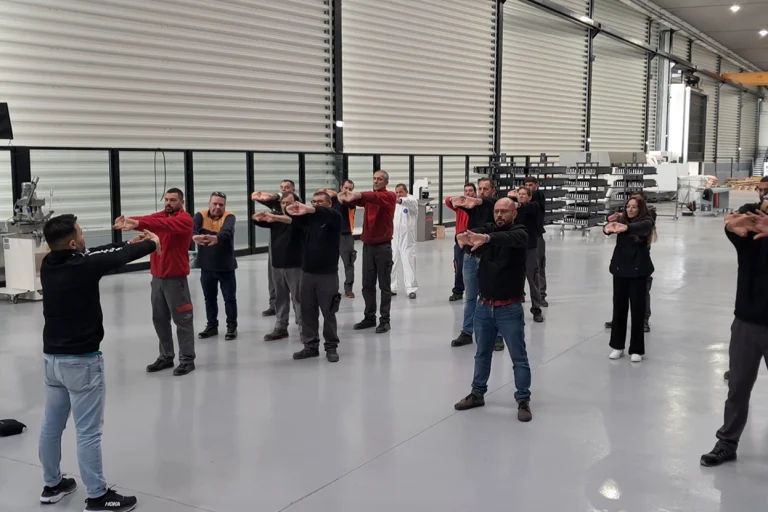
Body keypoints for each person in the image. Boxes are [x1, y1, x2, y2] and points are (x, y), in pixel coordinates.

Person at [39, 214, 159, 511]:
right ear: (71, 244)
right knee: (88, 432)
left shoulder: (49, 262)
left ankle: (52, 484)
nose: (84, 237)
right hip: (81, 363)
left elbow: (96, 253)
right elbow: (116, 258)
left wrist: (128, 242)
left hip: (52, 360)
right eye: (80, 233)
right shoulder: (82, 267)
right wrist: (151, 244)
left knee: (51, 427)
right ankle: (97, 496)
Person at [452, 198, 533, 422]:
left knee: (518, 356)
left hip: (509, 308)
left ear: (514, 213)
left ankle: (523, 399)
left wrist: (486, 238)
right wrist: (463, 235)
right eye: (497, 211)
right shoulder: (489, 228)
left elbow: (510, 238)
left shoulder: (519, 232)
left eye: (504, 212)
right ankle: (477, 393)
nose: (499, 215)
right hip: (484, 306)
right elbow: (477, 231)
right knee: (482, 354)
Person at [700, 203, 768, 467]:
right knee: (737, 387)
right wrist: (730, 225)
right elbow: (734, 227)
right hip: (746, 325)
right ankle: (727, 443)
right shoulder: (748, 239)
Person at [114, 188, 196, 376]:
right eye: (166, 199)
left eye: (173, 200)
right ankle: (166, 356)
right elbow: (151, 219)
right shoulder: (162, 216)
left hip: (176, 280)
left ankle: (187, 359)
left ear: (182, 202)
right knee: (159, 319)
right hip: (157, 279)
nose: (168, 203)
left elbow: (162, 224)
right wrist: (130, 221)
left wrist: (138, 223)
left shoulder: (184, 220)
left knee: (182, 320)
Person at [285, 191, 343, 362]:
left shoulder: (334, 217)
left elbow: (326, 213)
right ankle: (310, 346)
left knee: (329, 312)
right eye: (314, 202)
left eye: (320, 202)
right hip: (307, 273)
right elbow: (294, 220)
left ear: (329, 203)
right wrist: (290, 210)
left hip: (327, 275)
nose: (316, 204)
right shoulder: (308, 220)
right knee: (307, 311)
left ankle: (331, 346)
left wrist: (311, 209)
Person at [338, 170, 397, 334]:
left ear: (386, 182)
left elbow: (373, 197)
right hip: (368, 247)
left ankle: (385, 320)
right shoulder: (370, 198)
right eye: (374, 179)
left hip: (383, 247)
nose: (376, 181)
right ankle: (369, 317)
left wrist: (357, 194)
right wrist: (343, 195)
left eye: (379, 179)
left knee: (384, 285)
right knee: (367, 284)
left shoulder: (389, 196)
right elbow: (359, 200)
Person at [603, 197, 656, 363]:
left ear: (641, 209)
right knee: (619, 309)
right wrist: (608, 226)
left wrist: (625, 227)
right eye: (628, 206)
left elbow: (641, 227)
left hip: (638, 271)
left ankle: (637, 349)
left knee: (637, 311)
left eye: (634, 207)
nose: (630, 209)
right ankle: (617, 346)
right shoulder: (621, 219)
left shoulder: (647, 221)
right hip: (620, 270)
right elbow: (608, 228)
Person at [450, 178, 498, 348]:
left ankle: (496, 334)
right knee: (470, 296)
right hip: (470, 256)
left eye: (486, 189)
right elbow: (453, 203)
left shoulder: (496, 206)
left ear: (493, 190)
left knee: (492, 296)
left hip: (488, 257)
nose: (482, 192)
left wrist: (477, 201)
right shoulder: (474, 207)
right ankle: (467, 331)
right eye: (480, 189)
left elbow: (490, 219)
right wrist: (455, 200)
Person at [252, 191, 303, 341]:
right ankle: (281, 327)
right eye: (283, 203)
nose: (285, 206)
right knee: (280, 298)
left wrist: (273, 217)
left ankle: (304, 328)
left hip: (295, 265)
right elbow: (260, 221)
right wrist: (256, 217)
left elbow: (290, 220)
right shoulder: (276, 218)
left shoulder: (300, 217)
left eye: (289, 203)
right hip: (278, 265)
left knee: (298, 298)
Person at [193, 192, 238, 341]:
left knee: (229, 299)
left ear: (225, 206)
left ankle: (232, 326)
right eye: (215, 204)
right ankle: (212, 325)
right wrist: (194, 236)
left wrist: (216, 238)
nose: (218, 207)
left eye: (221, 204)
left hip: (226, 267)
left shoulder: (229, 216)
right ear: (209, 203)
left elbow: (227, 231)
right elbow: (192, 228)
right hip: (207, 266)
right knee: (209, 299)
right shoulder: (200, 215)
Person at [262, 179, 299, 317]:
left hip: (292, 253)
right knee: (274, 279)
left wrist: (277, 196)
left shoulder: (297, 204)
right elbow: (258, 197)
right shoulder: (277, 205)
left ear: (293, 190)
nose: (284, 189)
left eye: (287, 187)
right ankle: (274, 306)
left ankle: (299, 316)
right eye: (282, 187)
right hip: (276, 247)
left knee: (295, 287)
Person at [513, 186, 544, 323]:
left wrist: (518, 205)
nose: (521, 196)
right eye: (519, 194)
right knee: (515, 278)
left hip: (530, 248)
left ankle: (536, 308)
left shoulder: (534, 206)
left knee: (533, 279)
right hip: (516, 248)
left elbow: (529, 207)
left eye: (524, 194)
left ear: (530, 197)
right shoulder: (514, 210)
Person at [323, 181, 357, 298]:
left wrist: (338, 194)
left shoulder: (350, 201)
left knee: (349, 263)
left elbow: (348, 203)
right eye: (345, 187)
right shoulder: (331, 200)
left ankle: (348, 289)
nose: (347, 190)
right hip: (331, 235)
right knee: (330, 263)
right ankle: (332, 288)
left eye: (350, 189)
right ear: (341, 187)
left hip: (346, 236)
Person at [445, 183, 477, 302]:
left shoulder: (478, 205)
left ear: (475, 192)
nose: (468, 193)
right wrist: (454, 199)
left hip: (474, 240)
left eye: (470, 190)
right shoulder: (459, 205)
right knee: (459, 267)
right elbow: (447, 201)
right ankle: (458, 291)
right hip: (460, 242)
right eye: (466, 191)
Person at [391, 183, 419, 299]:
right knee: (392, 261)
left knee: (408, 261)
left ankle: (411, 288)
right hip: (394, 236)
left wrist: (400, 200)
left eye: (400, 192)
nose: (398, 194)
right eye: (396, 192)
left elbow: (408, 202)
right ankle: (392, 287)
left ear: (406, 191)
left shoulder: (412, 201)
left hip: (407, 238)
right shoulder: (394, 203)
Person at [524, 176, 549, 307]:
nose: (529, 188)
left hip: (537, 236)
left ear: (536, 185)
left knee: (539, 265)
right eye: (526, 185)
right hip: (522, 238)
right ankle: (520, 293)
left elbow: (534, 196)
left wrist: (521, 193)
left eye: (531, 185)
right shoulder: (521, 204)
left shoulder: (538, 196)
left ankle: (541, 294)